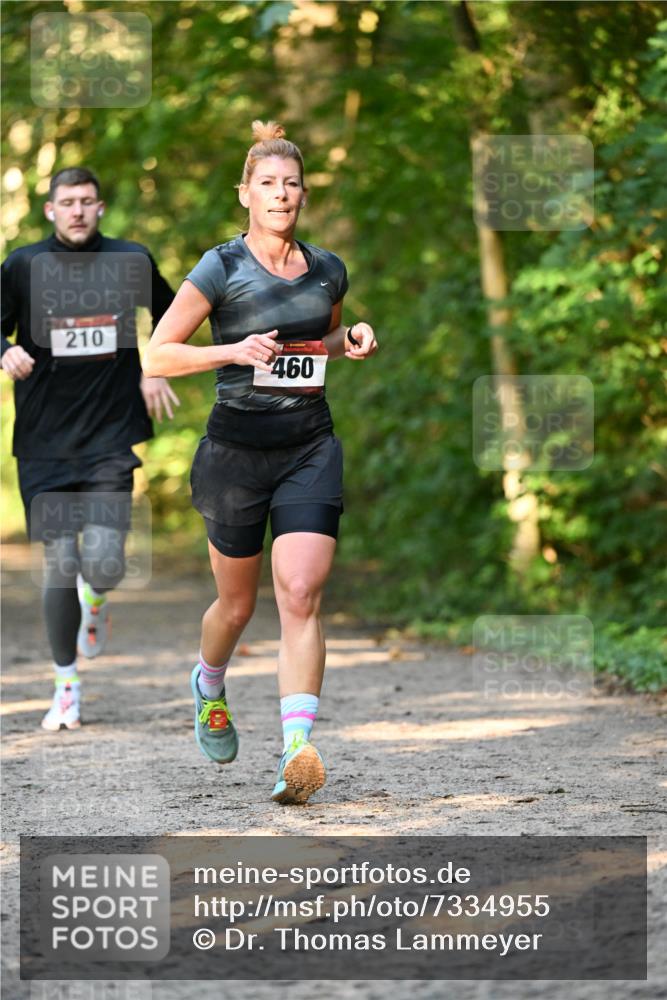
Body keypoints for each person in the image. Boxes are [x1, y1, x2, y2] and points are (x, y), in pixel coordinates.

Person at [143, 120, 377, 804]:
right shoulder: (220, 266)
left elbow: (319, 340)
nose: (281, 195)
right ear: (245, 193)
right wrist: (229, 352)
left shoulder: (327, 267)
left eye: (292, 184)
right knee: (236, 606)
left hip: (308, 445)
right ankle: (208, 683)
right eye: (268, 184)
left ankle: (296, 749)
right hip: (234, 455)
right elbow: (156, 355)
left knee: (301, 593)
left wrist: (351, 338)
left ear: (305, 193)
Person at [1, 166, 179, 732]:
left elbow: (176, 315)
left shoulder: (130, 260)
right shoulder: (24, 266)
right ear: (50, 211)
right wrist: (2, 353)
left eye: (87, 201)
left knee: (102, 563)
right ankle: (66, 688)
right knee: (59, 566)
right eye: (66, 202)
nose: (77, 210)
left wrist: (154, 364)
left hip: (108, 436)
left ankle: (95, 602)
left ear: (100, 207)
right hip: (44, 444)